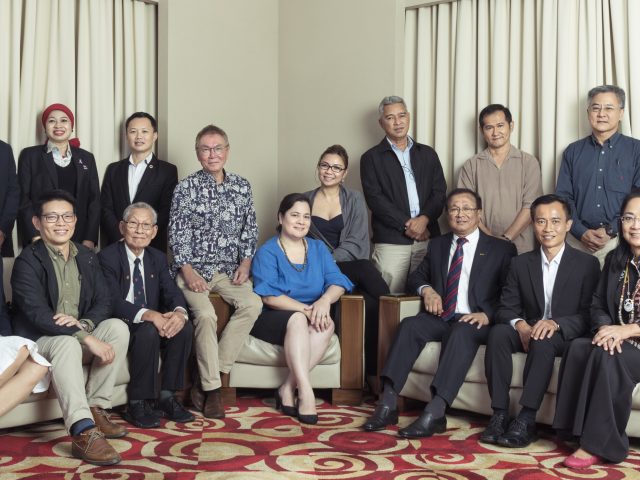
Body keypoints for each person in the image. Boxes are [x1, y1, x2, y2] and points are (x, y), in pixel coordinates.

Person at [363, 188, 516, 437]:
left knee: (460, 332)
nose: (460, 214)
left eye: (466, 208)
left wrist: (488, 314)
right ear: (447, 214)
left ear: (479, 213)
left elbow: (510, 292)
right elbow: (416, 277)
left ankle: (435, 412)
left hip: (477, 320)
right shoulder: (438, 244)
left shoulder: (501, 249)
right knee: (410, 325)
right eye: (454, 209)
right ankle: (388, 403)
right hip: (443, 315)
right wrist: (427, 291)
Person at [11, 189, 129, 466]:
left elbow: (104, 300)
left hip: (78, 331)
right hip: (41, 339)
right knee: (66, 343)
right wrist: (84, 337)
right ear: (37, 222)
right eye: (52, 217)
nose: (60, 223)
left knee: (117, 328)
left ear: (75, 220)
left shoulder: (87, 256)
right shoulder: (27, 261)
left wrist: (84, 325)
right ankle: (82, 430)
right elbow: (37, 314)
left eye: (67, 216)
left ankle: (97, 406)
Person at [481, 194, 600, 448]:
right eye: (541, 221)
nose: (548, 228)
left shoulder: (587, 264)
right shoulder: (520, 263)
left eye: (555, 221)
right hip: (530, 328)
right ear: (533, 225)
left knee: (543, 340)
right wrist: (520, 325)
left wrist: (556, 324)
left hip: (564, 334)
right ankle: (499, 414)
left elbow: (588, 314)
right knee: (498, 333)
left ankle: (526, 419)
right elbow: (505, 308)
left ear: (568, 225)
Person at [169, 124, 262, 419]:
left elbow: (250, 230)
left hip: (228, 271)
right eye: (206, 149)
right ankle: (212, 391)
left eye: (217, 148)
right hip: (193, 269)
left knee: (253, 304)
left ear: (227, 151)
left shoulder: (242, 186)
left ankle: (210, 374)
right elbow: (177, 234)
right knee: (206, 315)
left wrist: (245, 263)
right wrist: (187, 271)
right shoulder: (185, 188)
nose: (212, 154)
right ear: (197, 154)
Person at [553, 191, 640, 468]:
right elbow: (598, 303)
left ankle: (598, 444)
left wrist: (627, 331)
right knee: (579, 346)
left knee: (609, 354)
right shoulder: (615, 259)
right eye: (629, 218)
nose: (635, 225)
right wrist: (605, 328)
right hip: (618, 337)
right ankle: (573, 430)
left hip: (634, 342)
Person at [251, 193, 353, 424]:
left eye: (306, 217)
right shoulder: (267, 251)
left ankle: (287, 387)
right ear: (281, 217)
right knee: (297, 318)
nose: (301, 221)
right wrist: (306, 310)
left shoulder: (318, 248)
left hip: (310, 313)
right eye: (295, 215)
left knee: (327, 324)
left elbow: (338, 281)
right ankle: (306, 391)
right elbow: (269, 296)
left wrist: (324, 301)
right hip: (273, 318)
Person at [99, 202, 193, 428]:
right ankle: (137, 403)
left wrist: (179, 313)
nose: (140, 230)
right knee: (148, 330)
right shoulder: (107, 257)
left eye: (146, 225)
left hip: (150, 321)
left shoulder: (157, 258)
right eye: (133, 223)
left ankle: (167, 397)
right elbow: (111, 301)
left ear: (154, 231)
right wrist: (149, 315)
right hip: (121, 323)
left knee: (183, 327)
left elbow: (171, 292)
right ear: (122, 227)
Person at [304, 145, 390, 380]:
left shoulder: (354, 199)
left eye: (336, 167)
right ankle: (393, 306)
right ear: (318, 167)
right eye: (324, 165)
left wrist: (331, 260)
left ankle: (372, 374)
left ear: (344, 173)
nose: (329, 171)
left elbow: (357, 241)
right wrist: (325, 263)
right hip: (317, 269)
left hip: (347, 265)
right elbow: (299, 241)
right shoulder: (305, 200)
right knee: (366, 269)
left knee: (370, 304)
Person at [360, 95, 447, 293]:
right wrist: (408, 224)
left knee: (427, 295)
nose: (397, 122)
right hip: (391, 241)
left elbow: (439, 192)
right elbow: (375, 199)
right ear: (381, 123)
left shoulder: (428, 154)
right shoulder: (371, 158)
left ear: (408, 117)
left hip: (427, 237)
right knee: (389, 298)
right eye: (390, 117)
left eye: (401, 115)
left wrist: (424, 220)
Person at [556, 85, 640, 266]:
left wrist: (611, 230)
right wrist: (580, 231)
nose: (601, 114)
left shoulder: (636, 150)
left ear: (621, 113)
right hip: (578, 242)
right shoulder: (572, 152)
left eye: (609, 108)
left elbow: (638, 197)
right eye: (596, 108)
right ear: (588, 112)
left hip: (621, 241)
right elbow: (563, 197)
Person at [457, 104, 542, 254]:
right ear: (481, 131)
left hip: (521, 247)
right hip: (481, 246)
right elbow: (465, 209)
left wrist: (506, 238)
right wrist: (489, 239)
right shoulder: (471, 165)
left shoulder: (529, 162)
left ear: (511, 126)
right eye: (489, 127)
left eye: (500, 125)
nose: (495, 132)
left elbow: (531, 206)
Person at [17, 103, 100, 249]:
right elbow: (23, 198)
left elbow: (94, 201)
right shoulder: (30, 155)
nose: (58, 125)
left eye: (64, 120)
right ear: (45, 127)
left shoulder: (87, 158)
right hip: (42, 235)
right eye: (51, 121)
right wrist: (35, 235)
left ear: (71, 126)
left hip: (79, 237)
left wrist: (90, 238)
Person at [101, 112, 178, 251]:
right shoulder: (113, 169)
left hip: (151, 246)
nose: (138, 136)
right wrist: (121, 236)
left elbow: (166, 210)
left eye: (144, 131)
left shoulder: (167, 171)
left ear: (155, 135)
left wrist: (142, 236)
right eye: (133, 131)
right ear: (126, 136)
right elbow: (106, 207)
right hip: (116, 245)